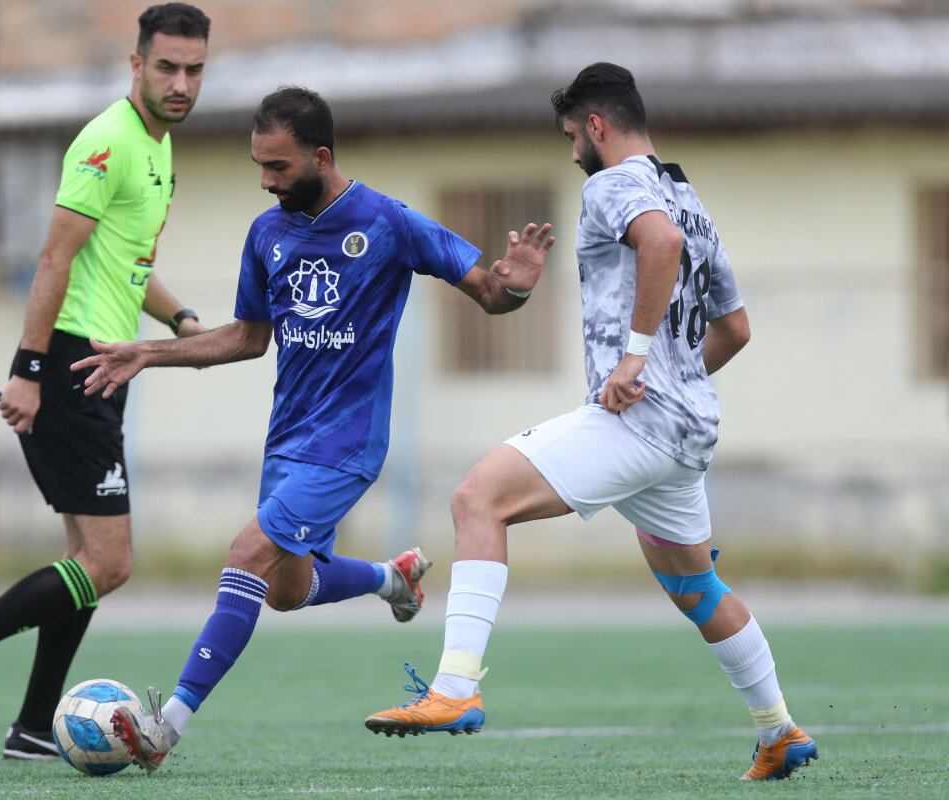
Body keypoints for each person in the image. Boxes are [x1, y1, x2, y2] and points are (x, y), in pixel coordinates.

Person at [69, 86, 555, 776]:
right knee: (285, 591)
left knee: (246, 555)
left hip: (347, 444)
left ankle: (165, 728)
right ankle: (392, 578)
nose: (266, 181)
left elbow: (490, 291)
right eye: (259, 166)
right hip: (287, 440)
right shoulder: (266, 234)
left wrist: (521, 286)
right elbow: (248, 337)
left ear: (321, 157)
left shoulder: (388, 222)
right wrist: (149, 351)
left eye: (279, 166)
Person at [364, 63, 820, 783]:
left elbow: (660, 245)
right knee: (695, 587)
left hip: (639, 424)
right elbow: (734, 328)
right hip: (687, 432)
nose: (573, 150)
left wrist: (636, 362)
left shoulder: (612, 185)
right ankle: (779, 730)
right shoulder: (689, 198)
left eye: (573, 135)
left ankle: (454, 690)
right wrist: (669, 376)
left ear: (597, 126)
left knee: (478, 499)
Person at [0, 3, 213, 759]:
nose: (180, 83)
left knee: (85, 562)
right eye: (166, 67)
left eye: (194, 70)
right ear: (135, 64)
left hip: (102, 368)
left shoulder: (158, 148)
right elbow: (54, 259)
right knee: (110, 563)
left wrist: (180, 318)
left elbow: (126, 264)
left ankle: (35, 725)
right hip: (71, 366)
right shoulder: (108, 141)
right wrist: (27, 372)